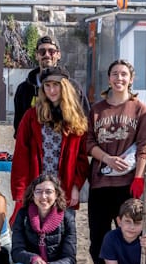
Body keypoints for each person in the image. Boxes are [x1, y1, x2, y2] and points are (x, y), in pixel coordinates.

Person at [87, 59, 146, 264]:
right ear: (109, 78)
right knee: (98, 235)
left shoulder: (139, 109)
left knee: (128, 231)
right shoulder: (97, 110)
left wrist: (138, 177)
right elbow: (89, 142)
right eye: (115, 74)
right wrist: (106, 158)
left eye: (124, 74)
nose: (119, 78)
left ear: (131, 79)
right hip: (101, 182)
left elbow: (144, 145)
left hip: (126, 183)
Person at [11, 66, 89, 220]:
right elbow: (20, 154)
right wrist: (21, 193)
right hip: (36, 188)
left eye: (56, 85)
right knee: (33, 236)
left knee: (64, 236)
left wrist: (76, 186)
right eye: (47, 85)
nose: (51, 90)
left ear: (64, 86)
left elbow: (81, 157)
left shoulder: (76, 119)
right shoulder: (31, 116)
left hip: (64, 188)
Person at [12, 35, 89, 138]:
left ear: (58, 55)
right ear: (36, 55)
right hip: (34, 149)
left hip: (66, 148)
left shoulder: (74, 88)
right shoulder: (24, 89)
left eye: (51, 51)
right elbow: (19, 127)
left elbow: (85, 122)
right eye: (42, 51)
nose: (47, 55)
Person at [10, 174, 76, 264]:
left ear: (56, 194)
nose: (43, 196)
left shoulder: (67, 217)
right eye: (38, 191)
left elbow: (70, 259)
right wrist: (34, 260)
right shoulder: (23, 215)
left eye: (49, 192)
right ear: (33, 195)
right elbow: (16, 251)